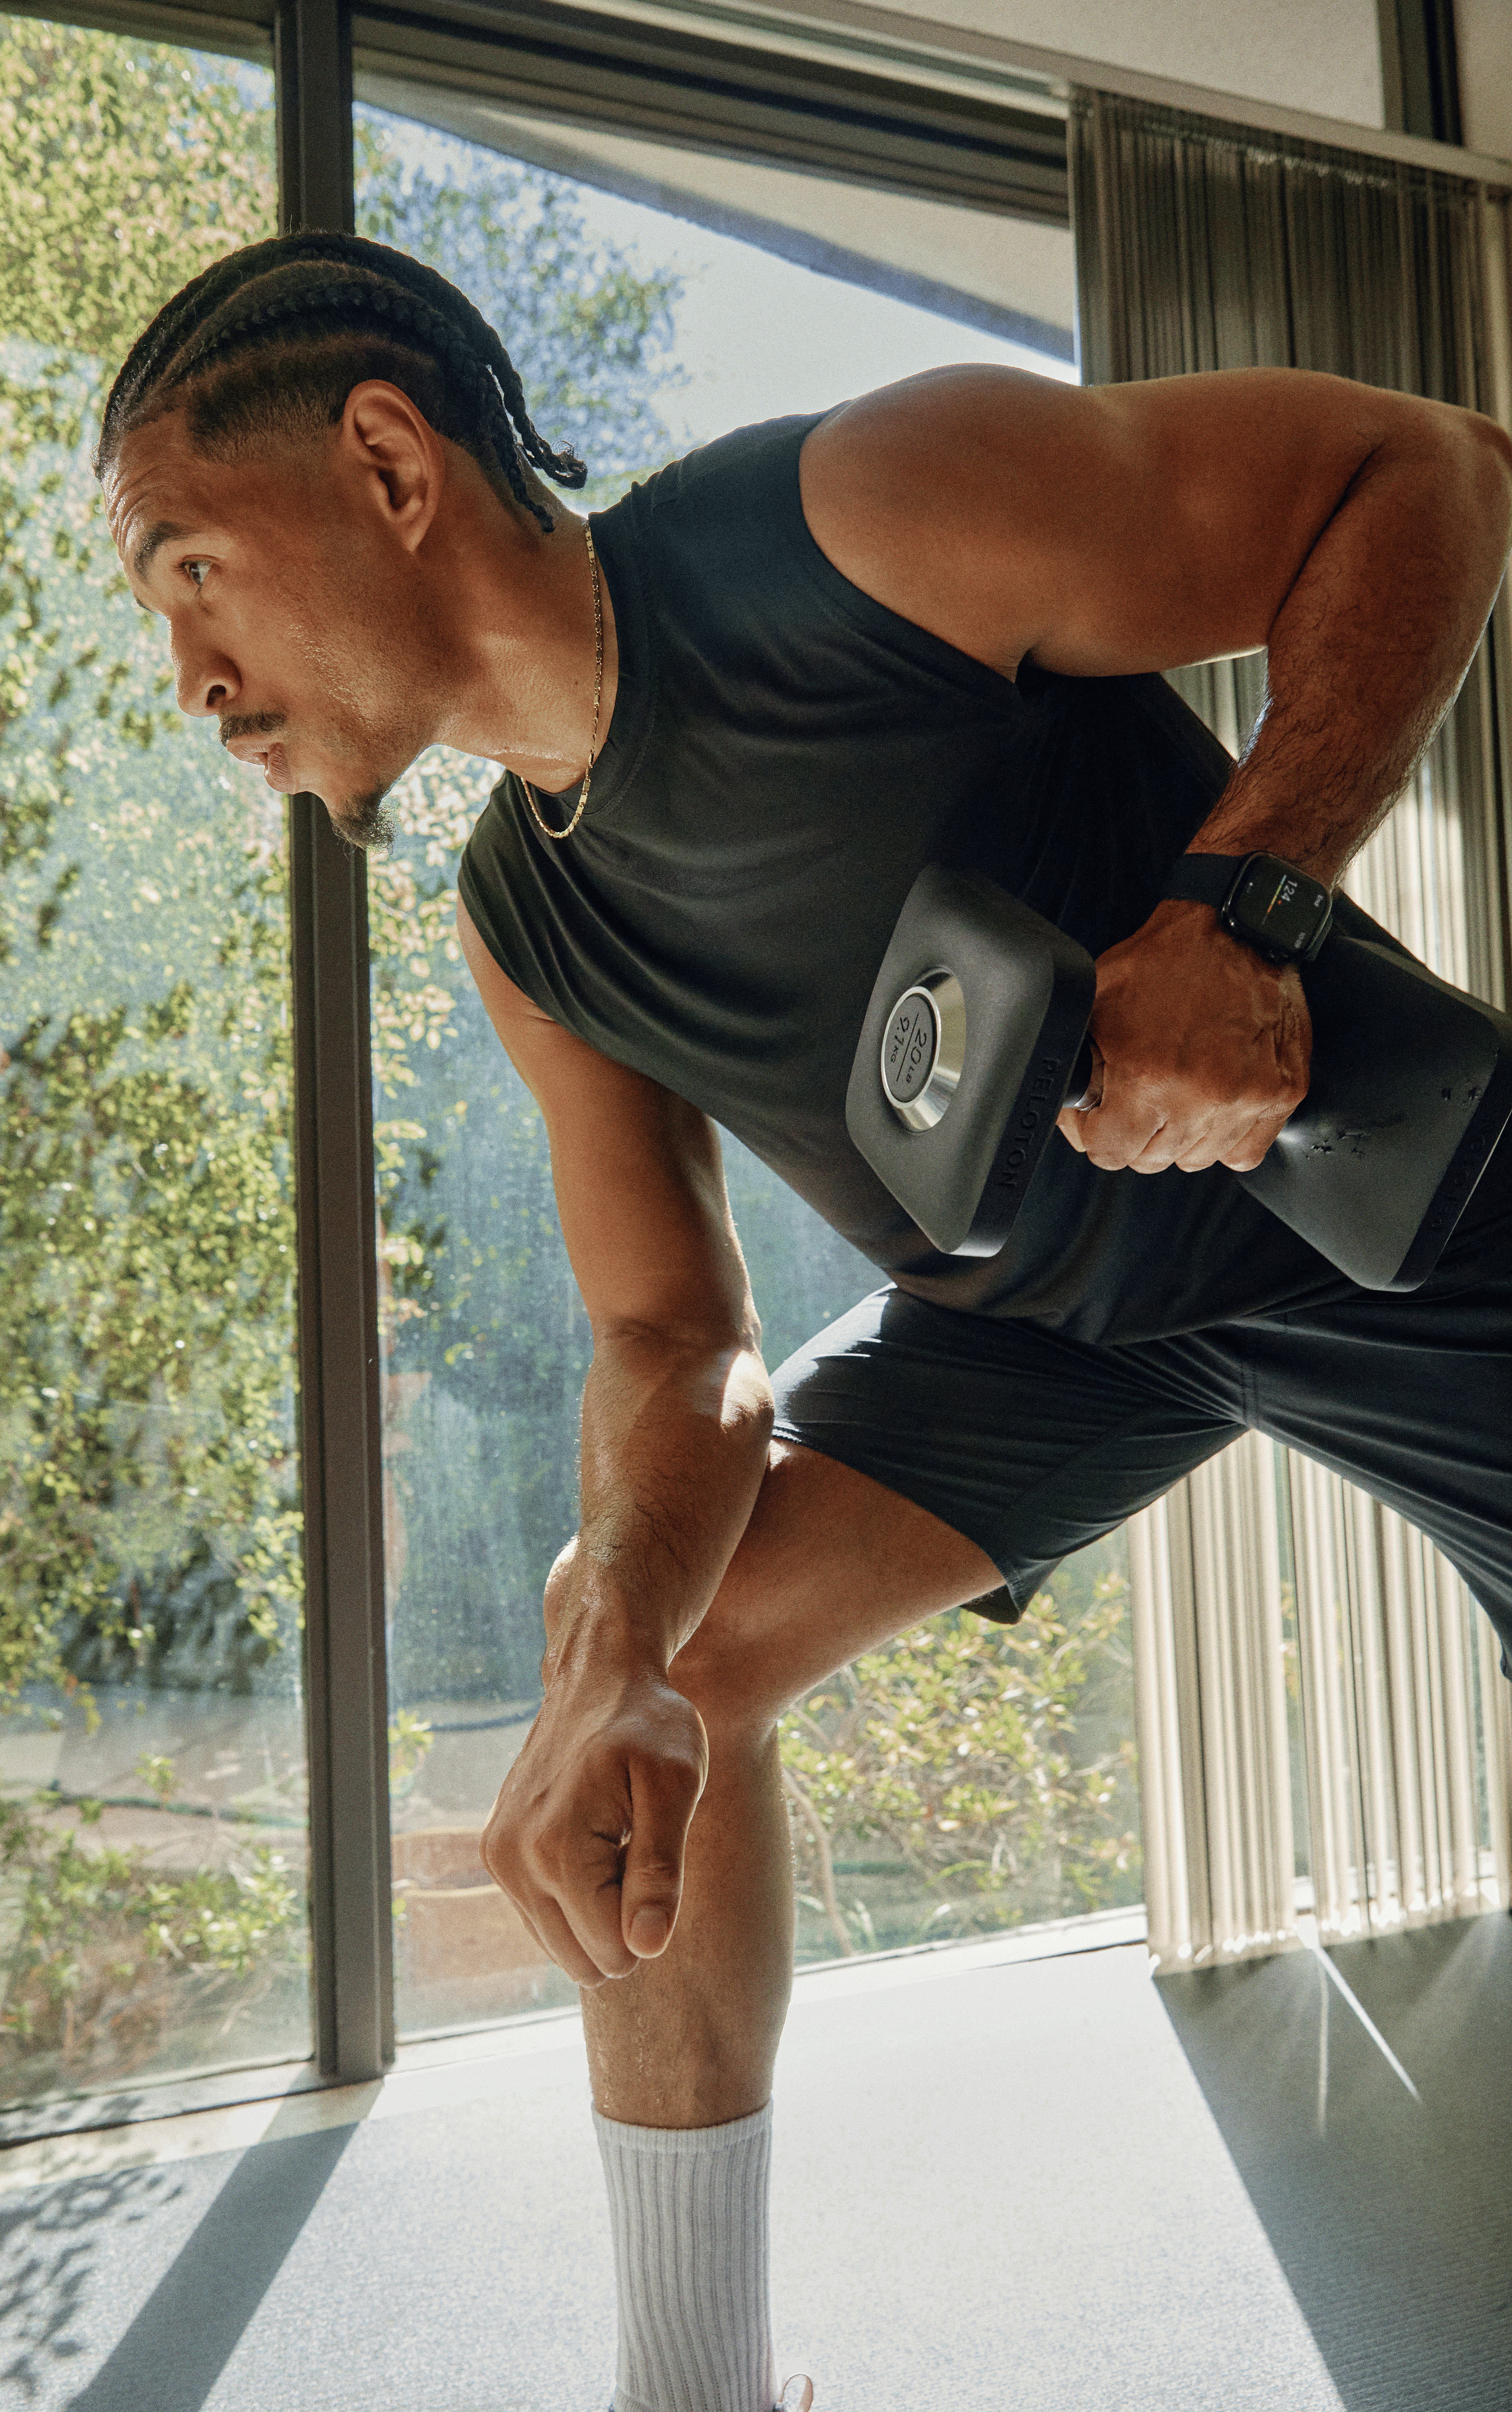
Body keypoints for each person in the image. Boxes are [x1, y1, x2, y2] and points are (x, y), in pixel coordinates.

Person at [98, 230, 1512, 2412]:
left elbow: (1425, 472)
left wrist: (1243, 909)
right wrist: (619, 1660)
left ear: (388, 462)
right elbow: (672, 1339)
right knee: (643, 1638)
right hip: (1033, 1325)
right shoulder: (524, 918)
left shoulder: (852, 528)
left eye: (193, 569)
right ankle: (698, 2385)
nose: (187, 676)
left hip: (1370, 1220)